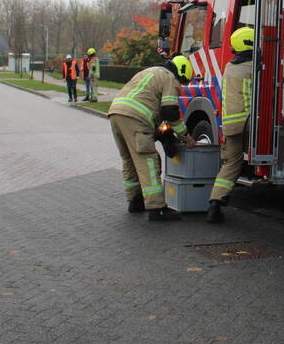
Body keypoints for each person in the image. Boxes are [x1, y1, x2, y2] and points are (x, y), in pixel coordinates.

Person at [108, 55, 195, 221]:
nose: (180, 86)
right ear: (181, 73)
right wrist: (186, 136)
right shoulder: (171, 78)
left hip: (115, 114)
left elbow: (154, 108)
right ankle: (157, 208)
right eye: (183, 82)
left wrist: (163, 134)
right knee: (148, 160)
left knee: (129, 160)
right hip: (135, 118)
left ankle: (135, 200)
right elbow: (170, 112)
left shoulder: (151, 71)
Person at [206, 26, 254, 223]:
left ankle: (215, 203)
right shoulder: (254, 67)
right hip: (250, 123)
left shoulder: (229, 67)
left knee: (231, 164)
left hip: (230, 124)